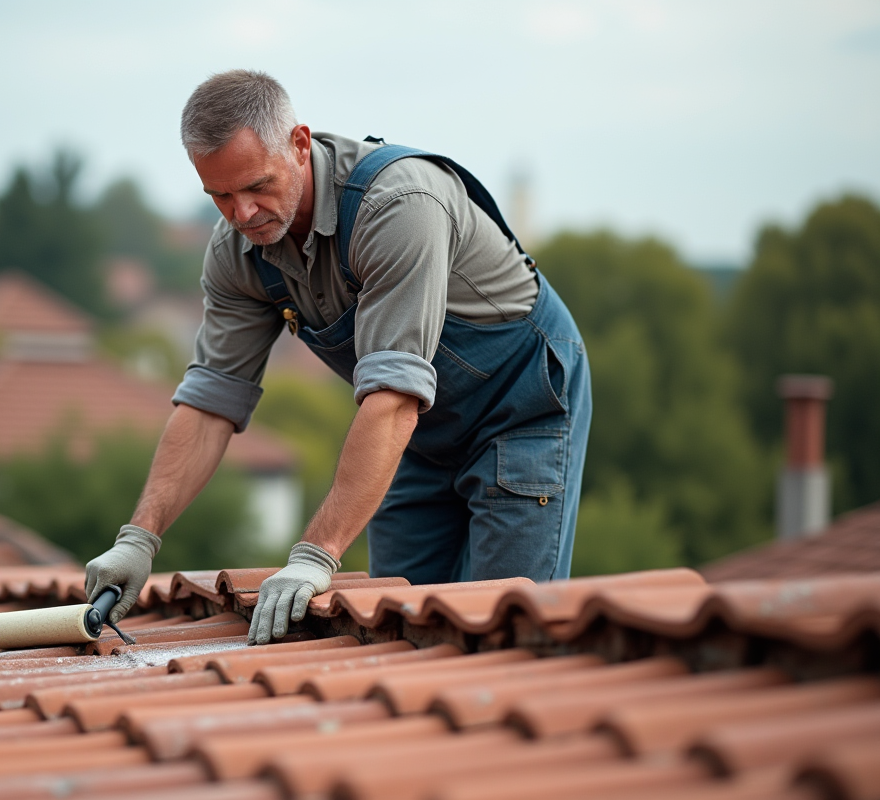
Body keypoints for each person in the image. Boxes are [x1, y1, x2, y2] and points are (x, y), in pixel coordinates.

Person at [85, 70, 591, 645]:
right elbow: (209, 402)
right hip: (421, 435)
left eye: (256, 185)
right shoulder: (240, 255)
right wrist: (139, 538)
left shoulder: (399, 206)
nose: (243, 214)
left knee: (504, 632)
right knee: (402, 629)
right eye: (220, 196)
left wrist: (314, 553)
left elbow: (394, 396)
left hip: (519, 409)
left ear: (300, 144)